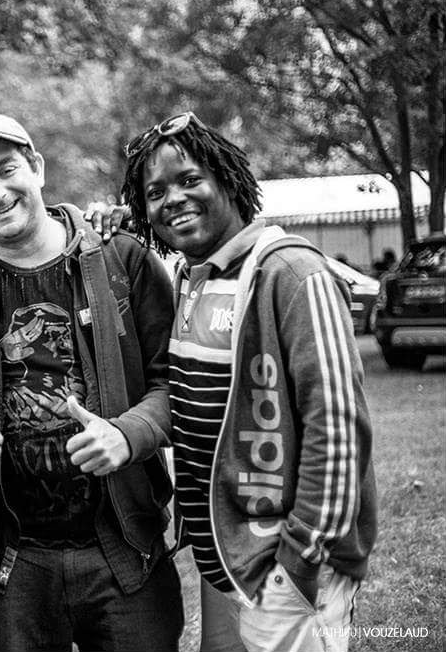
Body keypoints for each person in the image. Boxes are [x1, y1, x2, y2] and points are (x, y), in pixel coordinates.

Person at [0, 113, 183, 652]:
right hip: (12, 563)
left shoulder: (121, 259)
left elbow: (173, 383)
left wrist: (128, 434)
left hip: (124, 549)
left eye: (6, 169)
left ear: (36, 168)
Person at [119, 111, 377, 651]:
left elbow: (338, 432)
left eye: (190, 180)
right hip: (228, 559)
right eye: (155, 192)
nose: (173, 200)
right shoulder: (191, 279)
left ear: (228, 180)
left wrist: (300, 562)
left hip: (286, 567)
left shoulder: (292, 273)